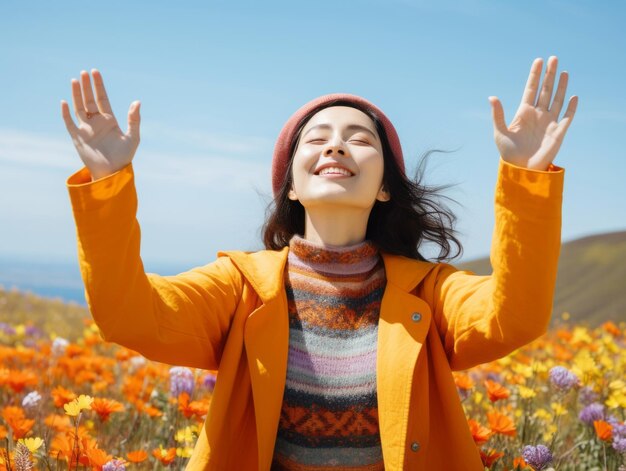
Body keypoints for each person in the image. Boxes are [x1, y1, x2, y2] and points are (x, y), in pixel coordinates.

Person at [62, 56, 577, 470]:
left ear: (383, 188)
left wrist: (524, 178)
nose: (336, 143)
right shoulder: (238, 287)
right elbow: (128, 315)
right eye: (317, 137)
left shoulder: (430, 292)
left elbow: (514, 316)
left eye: (360, 138)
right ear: (290, 184)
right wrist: (108, 184)